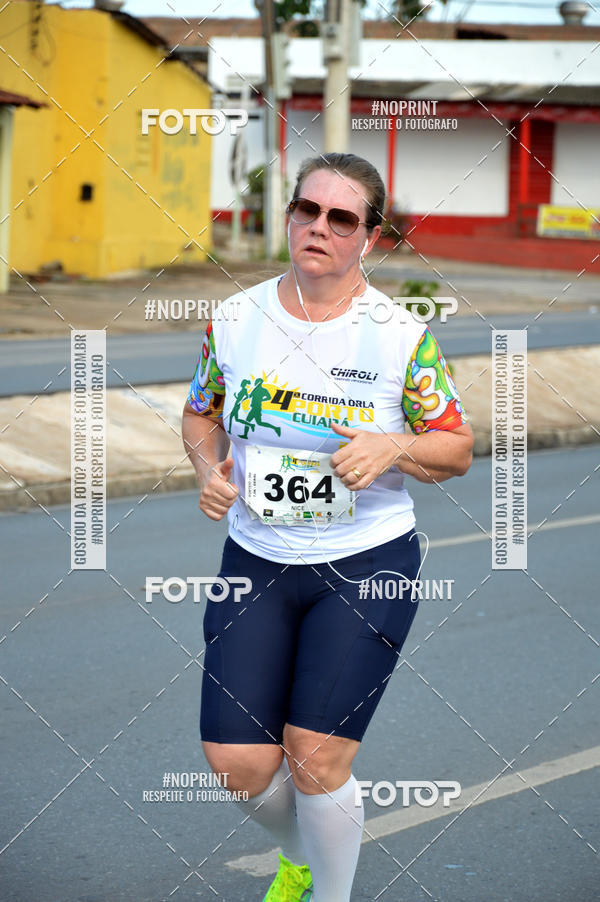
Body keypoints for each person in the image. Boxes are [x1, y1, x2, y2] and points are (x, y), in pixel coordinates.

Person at [182, 152, 473, 902]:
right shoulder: (236, 318)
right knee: (238, 765)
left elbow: (458, 447)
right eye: (306, 210)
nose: (318, 226)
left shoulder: (399, 337)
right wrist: (206, 470)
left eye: (341, 218)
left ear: (368, 238)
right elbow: (200, 412)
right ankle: (300, 858)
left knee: (314, 759)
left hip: (365, 563)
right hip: (257, 560)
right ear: (290, 216)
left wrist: (396, 445)